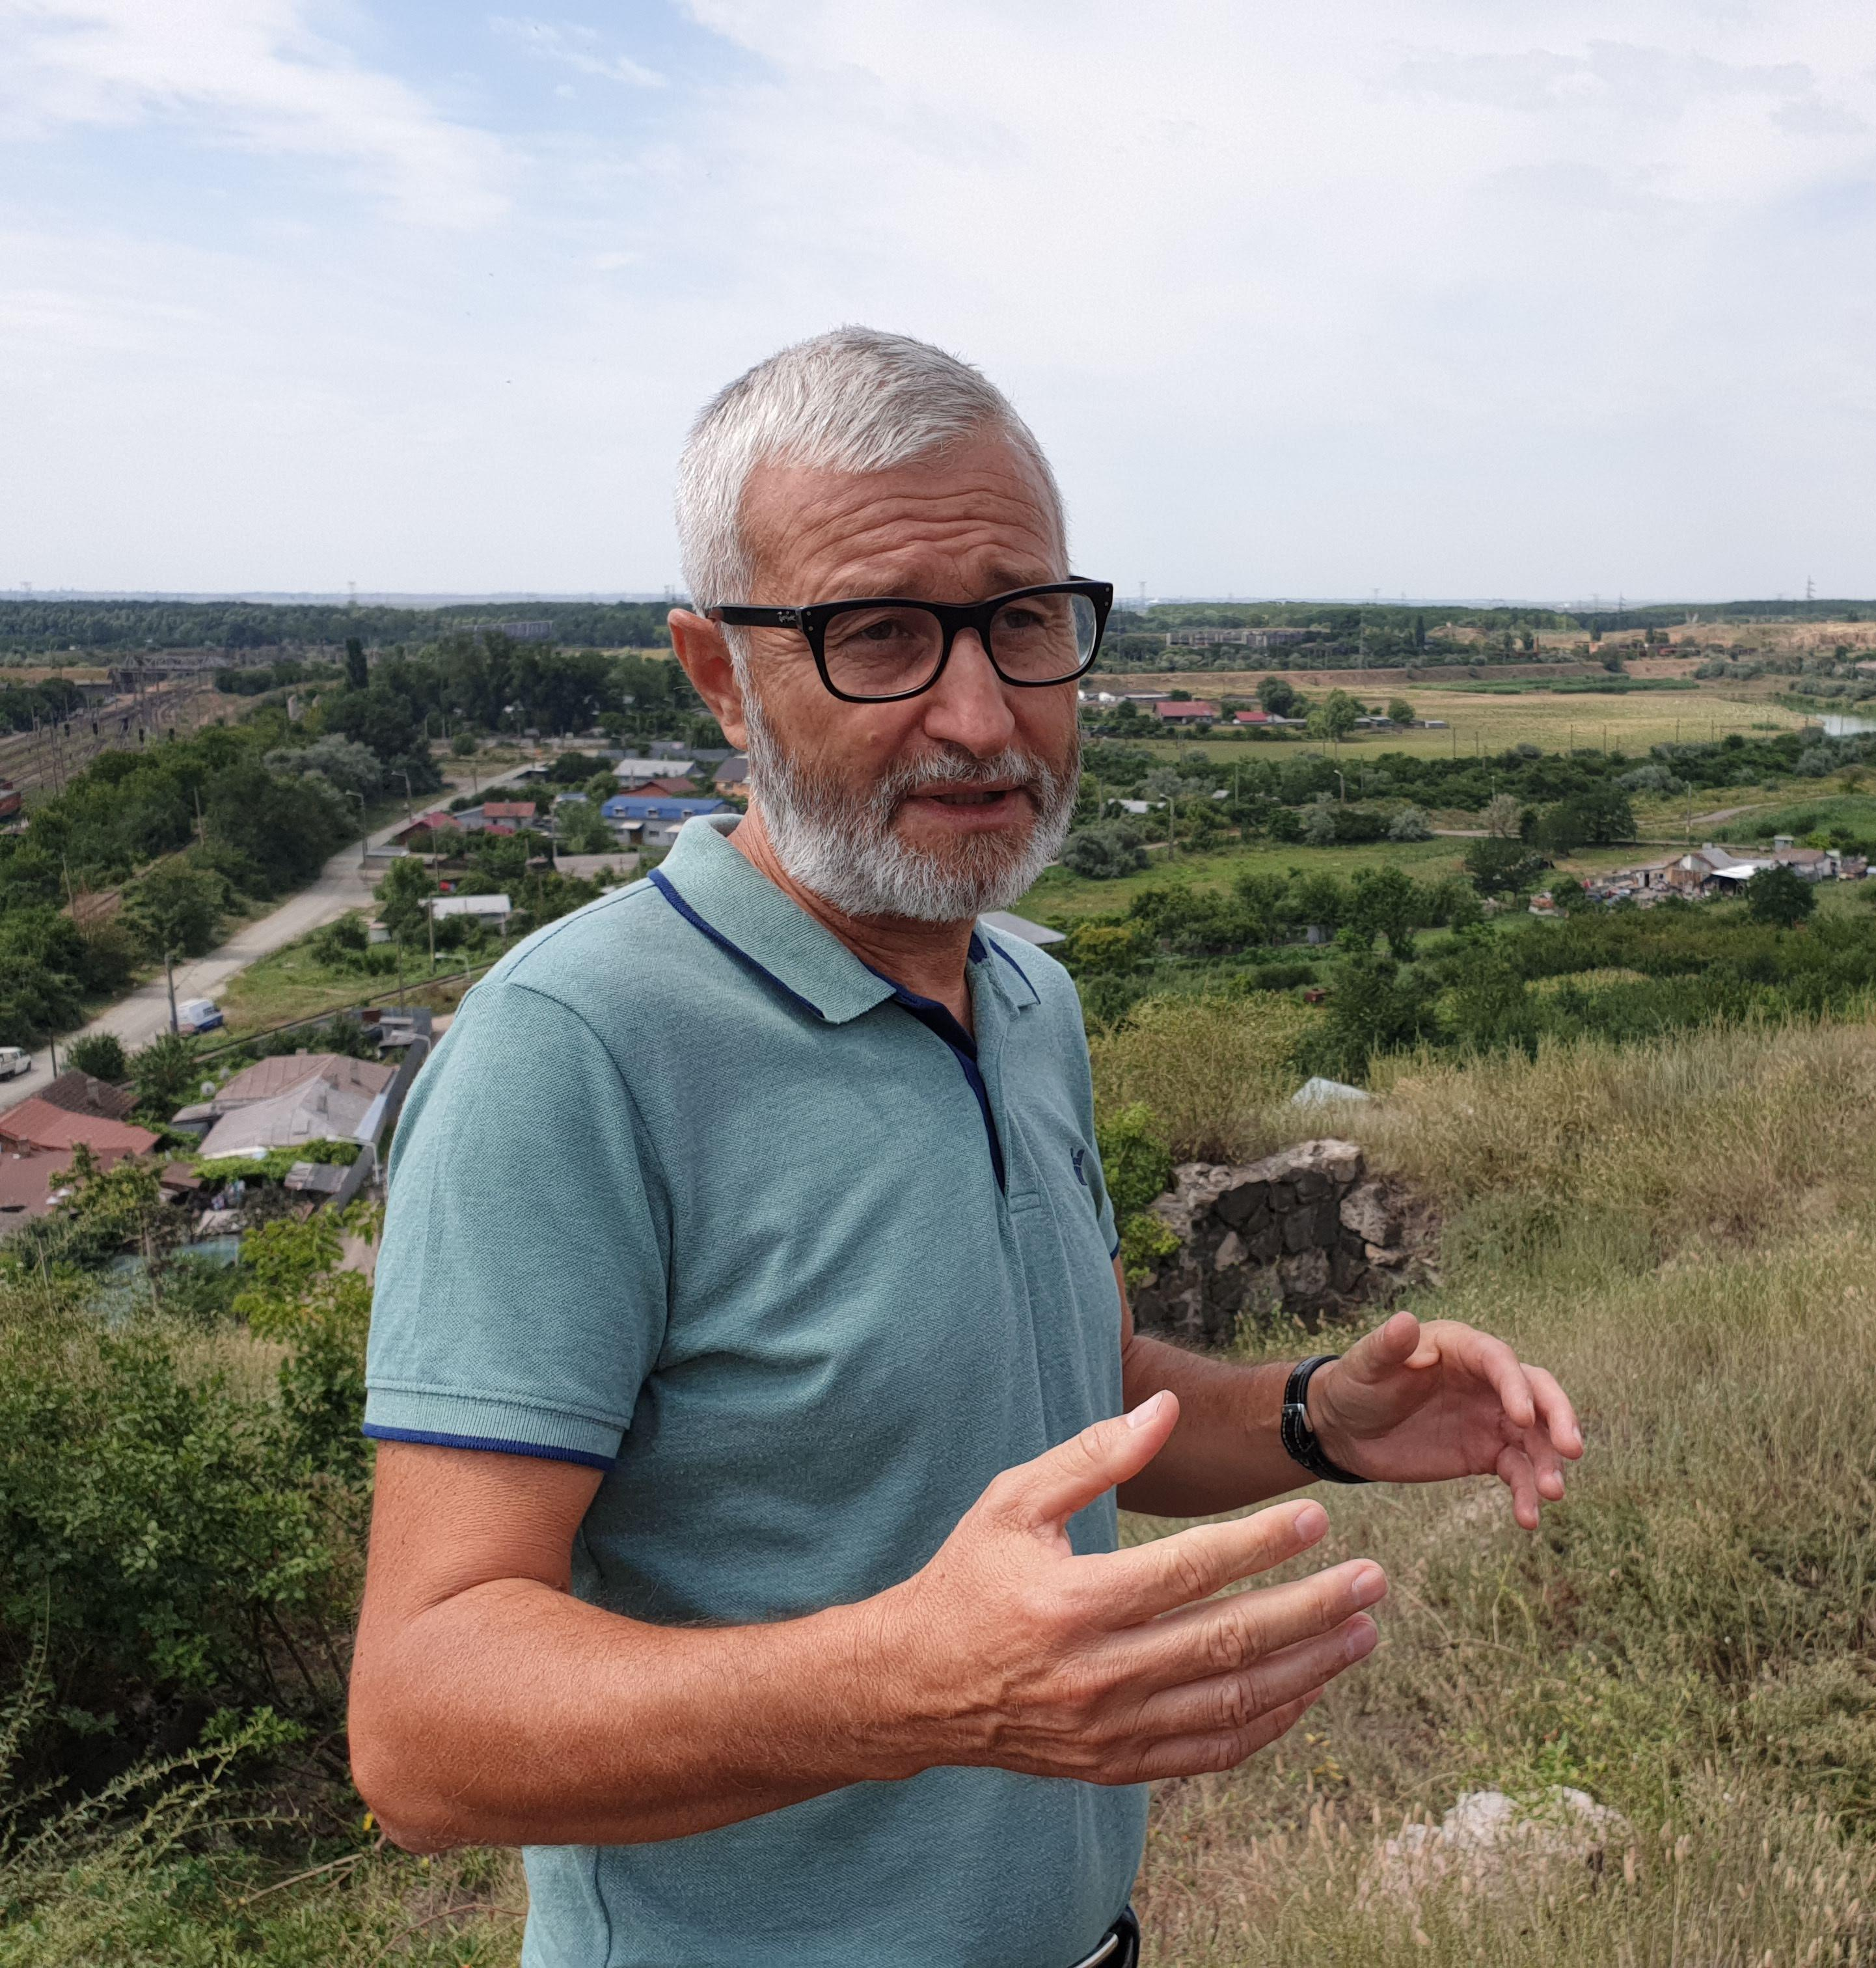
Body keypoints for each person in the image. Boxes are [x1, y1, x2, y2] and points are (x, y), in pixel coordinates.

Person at [347, 327, 1584, 1968]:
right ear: (719, 674)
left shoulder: (1023, 993)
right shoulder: (575, 1052)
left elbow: (1066, 1391)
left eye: (1022, 622)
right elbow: (421, 1730)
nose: (981, 714)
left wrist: (1313, 1417)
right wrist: (913, 1688)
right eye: (878, 634)